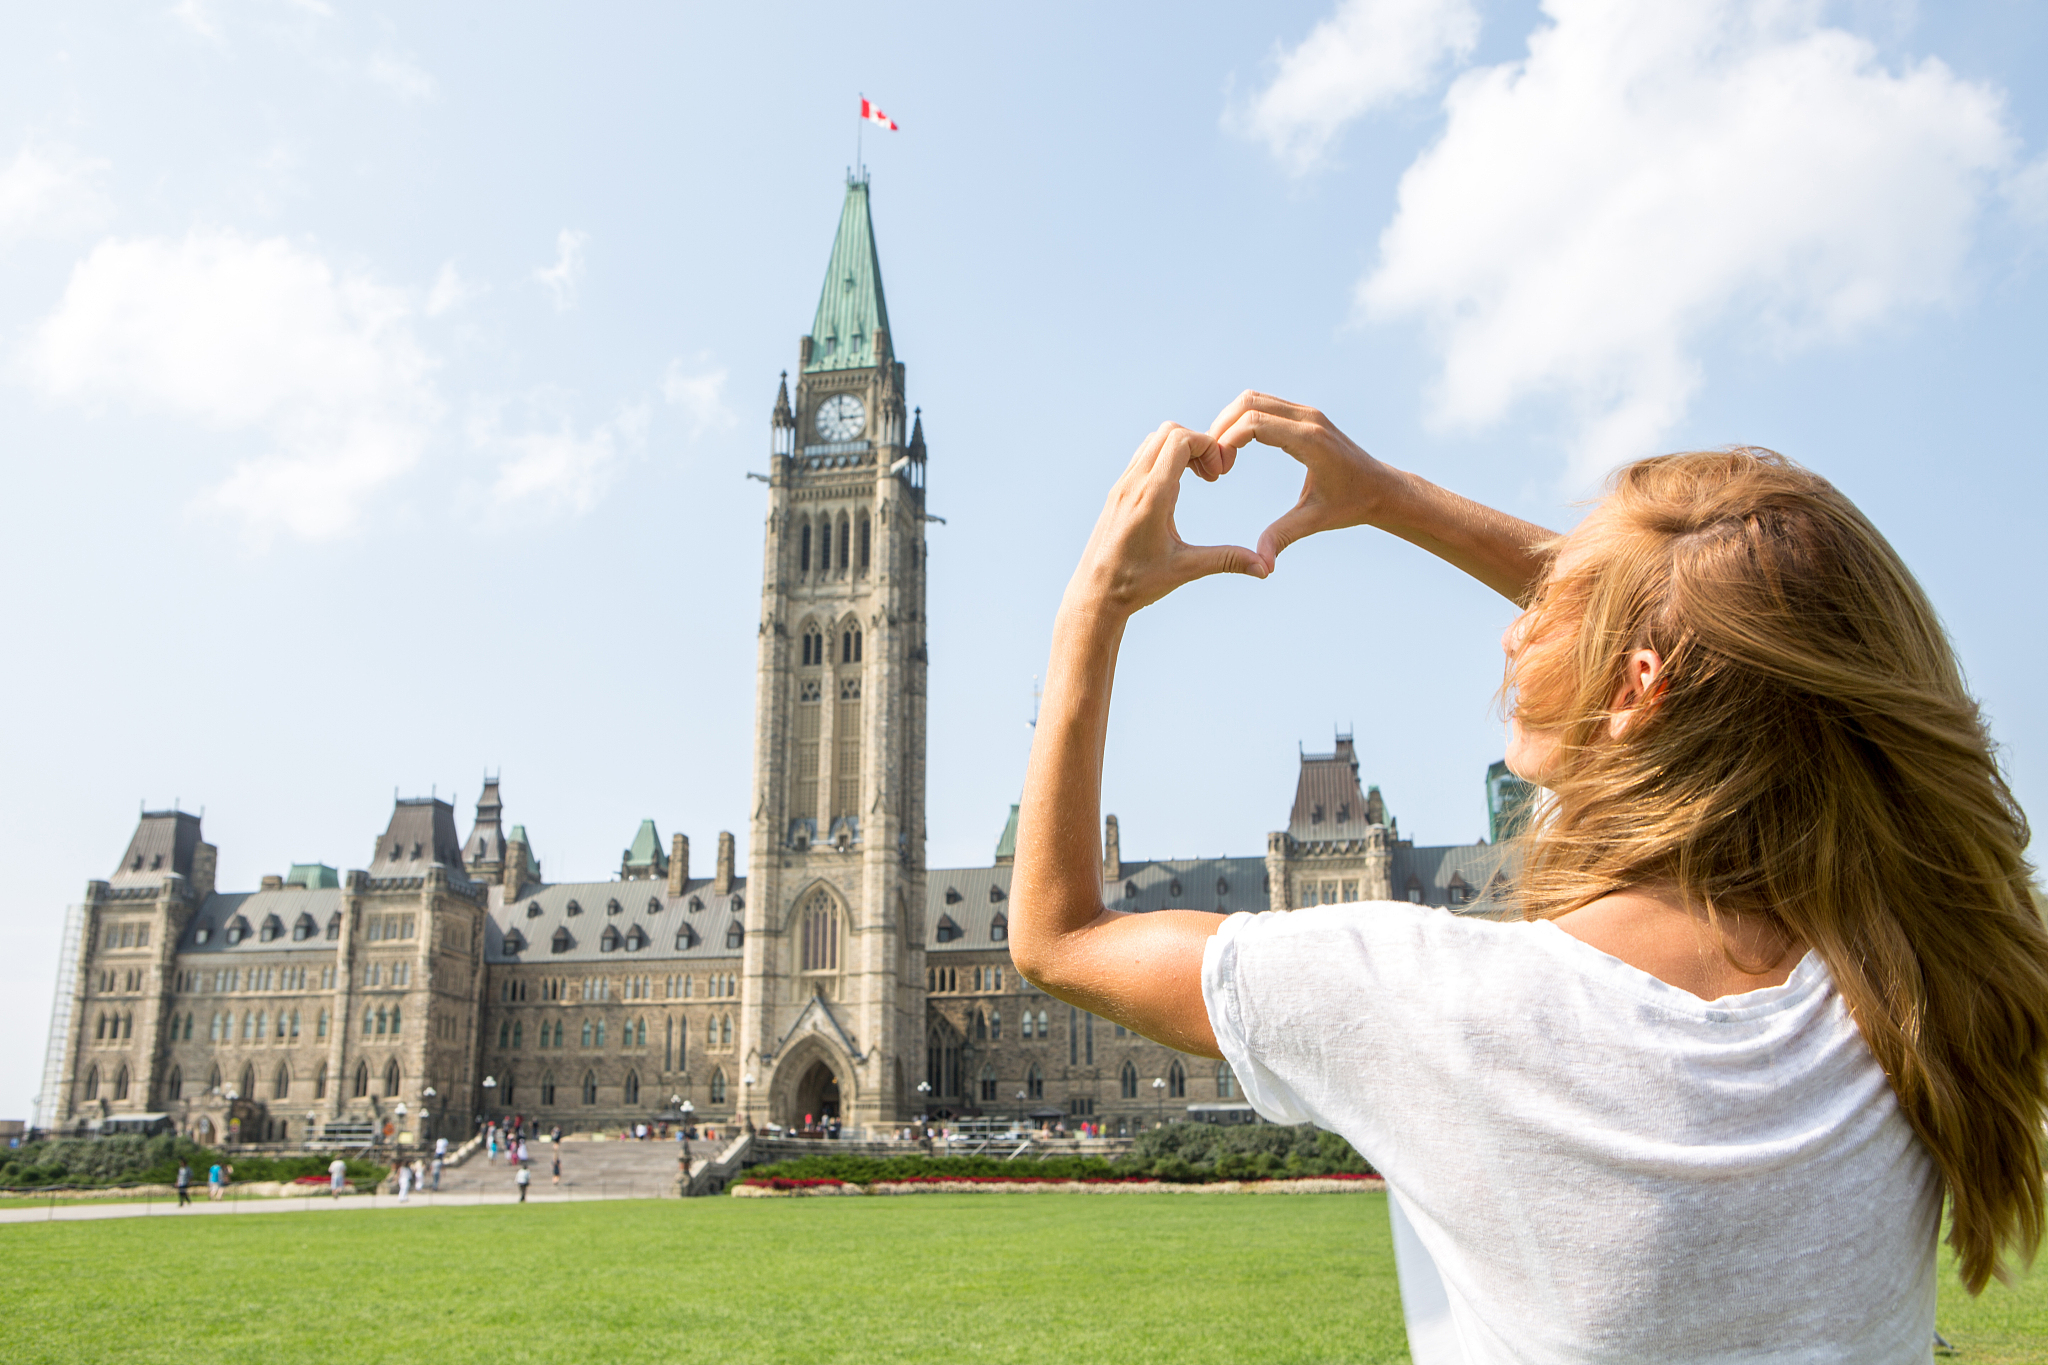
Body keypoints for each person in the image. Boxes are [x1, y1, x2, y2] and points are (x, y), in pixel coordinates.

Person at [1009, 396, 2048, 1364]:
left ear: (1637, 689)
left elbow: (1058, 937)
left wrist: (1093, 608)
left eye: (1559, 608)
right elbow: (1759, 663)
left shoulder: (1429, 996)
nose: (1516, 623)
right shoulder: (1906, 974)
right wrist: (1390, 499)